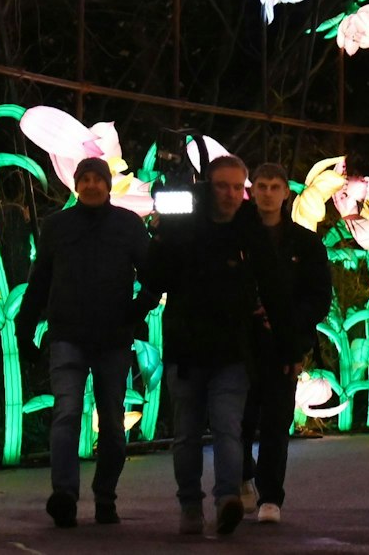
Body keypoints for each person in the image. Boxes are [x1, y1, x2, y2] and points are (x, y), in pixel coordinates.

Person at [137, 154, 285, 538]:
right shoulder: (186, 225)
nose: (231, 194)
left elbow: (272, 283)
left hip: (232, 350)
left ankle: (226, 501)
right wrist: (163, 234)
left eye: (238, 187)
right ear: (208, 186)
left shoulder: (249, 229)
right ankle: (190, 504)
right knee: (186, 433)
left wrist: (285, 341)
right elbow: (155, 277)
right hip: (186, 348)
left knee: (227, 428)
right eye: (223, 185)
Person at [16, 157, 152, 529]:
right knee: (66, 414)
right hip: (68, 335)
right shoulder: (58, 226)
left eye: (98, 179)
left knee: (111, 420)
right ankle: (65, 495)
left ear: (108, 185)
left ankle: (105, 496)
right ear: (76, 185)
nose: (92, 185)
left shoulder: (127, 224)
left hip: (113, 337)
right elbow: (40, 278)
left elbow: (153, 274)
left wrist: (136, 310)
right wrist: (24, 327)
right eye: (85, 179)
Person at [239, 162, 331, 524]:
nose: (267, 193)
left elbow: (318, 297)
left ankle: (270, 497)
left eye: (274, 186)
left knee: (277, 422)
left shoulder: (305, 243)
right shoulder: (239, 238)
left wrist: (286, 321)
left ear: (285, 192)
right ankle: (242, 476)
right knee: (240, 418)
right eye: (261, 186)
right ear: (253, 190)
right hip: (243, 342)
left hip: (283, 343)